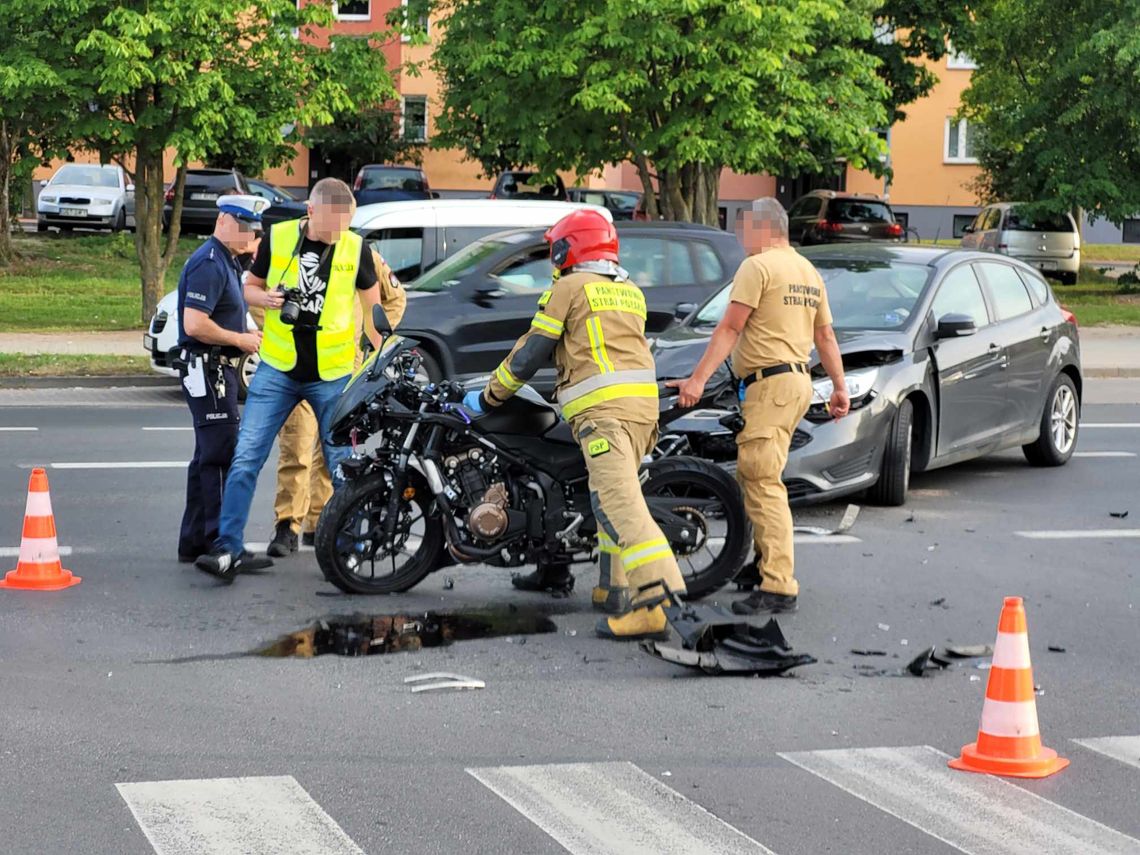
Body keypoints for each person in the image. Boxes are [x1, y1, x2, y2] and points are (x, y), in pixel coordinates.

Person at [463, 209, 687, 640]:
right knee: (609, 501)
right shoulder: (629, 291)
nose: (553, 258)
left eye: (556, 249)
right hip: (642, 412)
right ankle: (613, 589)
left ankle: (658, 603)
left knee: (620, 505)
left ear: (570, 249)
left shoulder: (569, 287)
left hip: (604, 417)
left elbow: (532, 352)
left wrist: (490, 395)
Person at [195, 178, 383, 581]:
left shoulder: (355, 246)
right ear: (311, 213)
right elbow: (249, 288)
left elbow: (374, 312)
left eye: (346, 225)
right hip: (278, 370)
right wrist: (266, 299)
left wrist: (376, 360)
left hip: (332, 375)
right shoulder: (279, 238)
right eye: (333, 226)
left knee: (342, 465)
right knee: (246, 457)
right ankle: (229, 547)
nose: (338, 235)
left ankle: (350, 547)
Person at [669, 197, 849, 615]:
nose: (740, 237)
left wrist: (696, 380)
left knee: (762, 480)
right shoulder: (807, 270)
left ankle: (779, 586)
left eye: (744, 228)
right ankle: (765, 562)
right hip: (796, 382)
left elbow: (730, 326)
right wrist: (839, 387)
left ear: (764, 228)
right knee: (761, 477)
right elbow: (825, 337)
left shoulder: (758, 266)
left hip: (771, 386)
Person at [258, 249, 407, 557]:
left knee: (334, 452)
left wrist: (370, 340)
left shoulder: (361, 254)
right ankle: (288, 526)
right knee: (295, 447)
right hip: (295, 365)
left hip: (340, 368)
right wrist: (277, 334)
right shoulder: (292, 250)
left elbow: (395, 299)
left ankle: (319, 521)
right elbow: (262, 297)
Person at [175, 195, 267, 565]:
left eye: (253, 229)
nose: (250, 235)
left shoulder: (226, 261)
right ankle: (219, 543)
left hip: (216, 368)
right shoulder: (210, 264)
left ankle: (194, 540)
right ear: (224, 221)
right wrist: (239, 340)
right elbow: (193, 323)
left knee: (205, 458)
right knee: (218, 456)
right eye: (245, 226)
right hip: (208, 368)